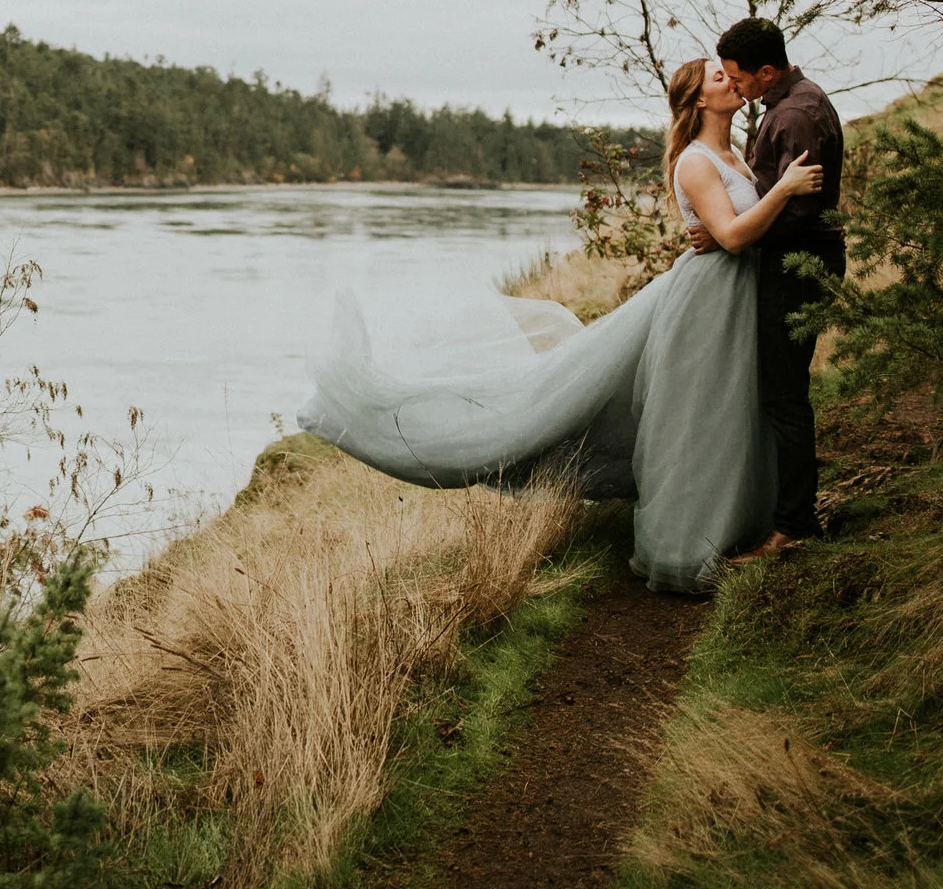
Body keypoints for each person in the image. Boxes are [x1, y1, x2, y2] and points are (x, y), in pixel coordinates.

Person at [297, 58, 822, 592]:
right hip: (705, 303)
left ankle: (745, 524)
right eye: (717, 78)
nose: (730, 82)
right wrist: (781, 192)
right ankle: (686, 545)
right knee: (695, 416)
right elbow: (732, 236)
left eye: (729, 75)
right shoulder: (694, 161)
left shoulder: (739, 152)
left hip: (735, 299)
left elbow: (733, 229)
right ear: (697, 102)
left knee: (733, 410)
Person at [691, 17, 845, 561]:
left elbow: (798, 213)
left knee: (784, 397)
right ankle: (785, 512)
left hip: (796, 264)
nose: (735, 86)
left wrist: (731, 237)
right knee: (779, 392)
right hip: (786, 262)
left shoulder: (796, 115)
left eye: (738, 76)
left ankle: (794, 526)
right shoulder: (786, 106)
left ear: (766, 70)